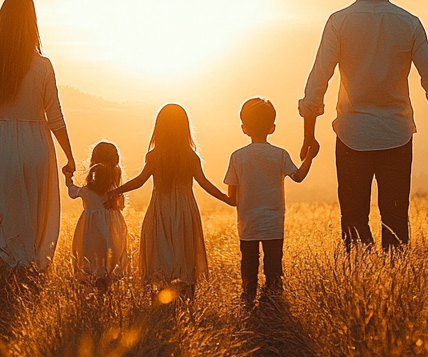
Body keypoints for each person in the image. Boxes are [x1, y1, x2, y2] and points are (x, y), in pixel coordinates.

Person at [299, 0, 428, 250]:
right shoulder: (409, 23)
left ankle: (360, 286)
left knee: (354, 220)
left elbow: (318, 81)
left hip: (351, 135)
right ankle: (395, 288)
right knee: (396, 221)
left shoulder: (338, 22)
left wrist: (309, 134)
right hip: (396, 135)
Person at [0, 0, 77, 270]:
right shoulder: (42, 66)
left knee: (1, 210)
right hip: (35, 144)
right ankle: (31, 270)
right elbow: (55, 116)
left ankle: (4, 269)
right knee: (35, 214)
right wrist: (69, 155)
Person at [109, 104, 232, 296]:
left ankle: (160, 294)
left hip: (160, 208)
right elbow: (204, 183)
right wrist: (227, 198)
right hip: (185, 209)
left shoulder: (154, 156)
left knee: (161, 249)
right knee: (184, 249)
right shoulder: (190, 156)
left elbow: (140, 181)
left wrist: (116, 191)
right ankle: (186, 294)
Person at [223, 97, 313, 309]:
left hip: (248, 224)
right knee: (273, 266)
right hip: (273, 222)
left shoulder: (237, 157)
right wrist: (310, 156)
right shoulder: (279, 154)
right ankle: (273, 303)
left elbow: (232, 197)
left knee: (249, 264)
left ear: (243, 128)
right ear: (272, 127)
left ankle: (248, 299)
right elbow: (298, 177)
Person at [65, 141, 128, 285]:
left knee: (90, 255)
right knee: (110, 254)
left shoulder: (87, 191)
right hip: (112, 229)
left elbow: (72, 191)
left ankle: (92, 282)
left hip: (90, 229)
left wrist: (68, 178)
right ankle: (107, 282)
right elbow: (121, 206)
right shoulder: (114, 191)